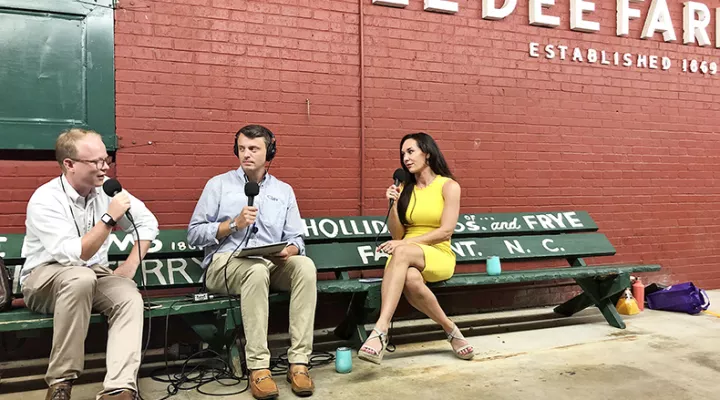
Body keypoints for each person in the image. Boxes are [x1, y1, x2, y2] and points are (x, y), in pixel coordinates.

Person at [20, 128, 159, 400]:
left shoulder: (105, 189)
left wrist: (130, 266)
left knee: (129, 296)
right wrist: (109, 219)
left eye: (106, 159)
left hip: (92, 275)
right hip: (44, 279)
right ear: (69, 164)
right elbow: (75, 255)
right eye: (96, 162)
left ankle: (120, 388)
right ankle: (60, 382)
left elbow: (147, 223)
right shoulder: (46, 199)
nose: (104, 167)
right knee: (80, 278)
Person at [187, 125, 317, 399]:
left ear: (269, 151)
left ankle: (299, 363)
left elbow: (296, 237)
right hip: (225, 264)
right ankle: (258, 367)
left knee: (305, 266)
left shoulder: (283, 191)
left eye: (254, 148)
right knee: (256, 271)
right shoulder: (218, 185)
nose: (246, 154)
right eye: (242, 148)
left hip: (269, 262)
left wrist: (290, 250)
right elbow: (194, 235)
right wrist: (232, 224)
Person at [357, 132, 475, 364]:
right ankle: (450, 329)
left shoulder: (448, 186)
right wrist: (392, 205)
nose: (406, 158)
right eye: (403, 154)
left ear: (427, 153)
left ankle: (380, 331)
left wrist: (404, 244)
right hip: (406, 255)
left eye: (411, 151)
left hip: (437, 253)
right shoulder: (406, 189)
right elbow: (398, 234)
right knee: (410, 278)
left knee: (400, 253)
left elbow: (446, 231)